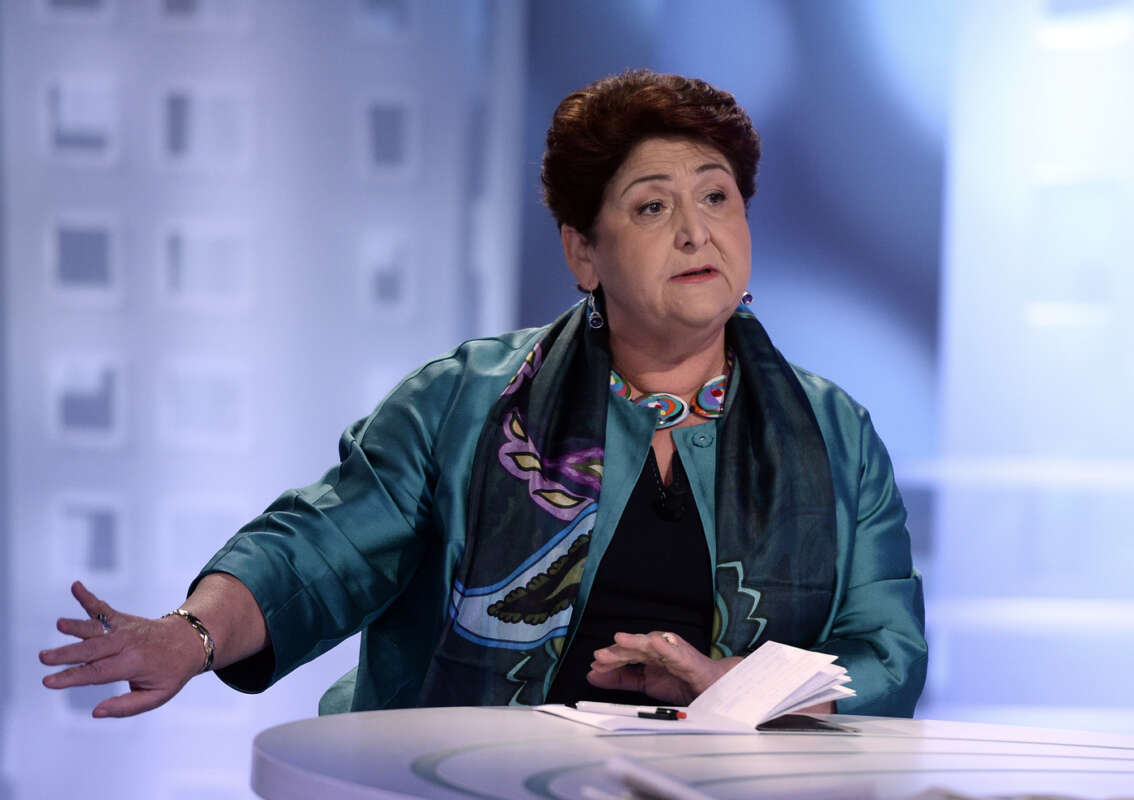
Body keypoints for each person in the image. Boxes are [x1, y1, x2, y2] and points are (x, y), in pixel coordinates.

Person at [41, 69, 927, 719]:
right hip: (471, 777)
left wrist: (735, 685)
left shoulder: (834, 432)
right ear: (583, 252)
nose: (698, 231)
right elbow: (318, 549)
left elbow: (886, 650)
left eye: (718, 197)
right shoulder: (464, 400)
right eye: (653, 207)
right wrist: (192, 636)